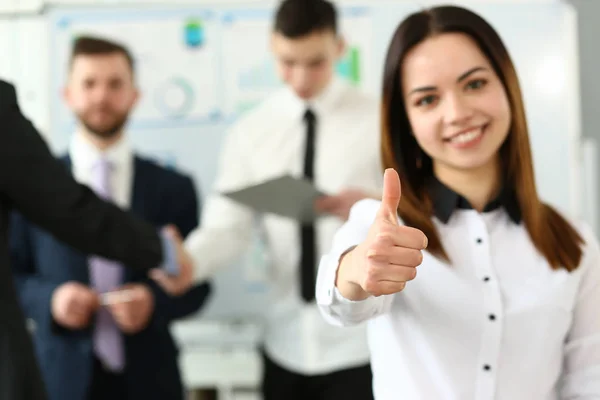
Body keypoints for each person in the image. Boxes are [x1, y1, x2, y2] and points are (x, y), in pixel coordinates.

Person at [316, 5, 600, 399]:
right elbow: (341, 304)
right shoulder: (385, 229)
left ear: (507, 86)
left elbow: (588, 379)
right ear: (407, 122)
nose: (458, 113)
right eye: (428, 100)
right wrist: (356, 270)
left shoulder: (574, 239)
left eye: (474, 84)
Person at [181, 0, 381, 398]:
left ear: (340, 48)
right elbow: (227, 227)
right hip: (283, 340)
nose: (301, 78)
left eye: (315, 62)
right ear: (272, 47)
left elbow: (423, 212)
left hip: (362, 344)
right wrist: (188, 261)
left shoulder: (379, 121)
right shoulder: (250, 133)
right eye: (288, 62)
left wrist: (372, 206)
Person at [8, 36, 211, 400]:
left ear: (135, 94)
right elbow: (12, 272)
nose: (101, 96)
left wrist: (153, 301)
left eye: (115, 84)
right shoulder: (25, 183)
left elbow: (195, 279)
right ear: (67, 94)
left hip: (149, 379)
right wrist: (51, 300)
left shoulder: (173, 187)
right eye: (89, 84)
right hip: (61, 379)